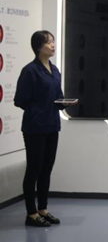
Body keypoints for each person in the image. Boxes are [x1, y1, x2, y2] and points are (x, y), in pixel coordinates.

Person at [14, 31, 77, 227]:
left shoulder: (55, 70)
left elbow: (58, 97)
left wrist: (64, 103)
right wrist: (39, 107)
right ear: (38, 47)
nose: (53, 45)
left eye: (53, 41)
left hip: (52, 125)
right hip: (35, 126)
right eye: (49, 42)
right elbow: (20, 100)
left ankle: (43, 209)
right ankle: (31, 214)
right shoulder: (30, 70)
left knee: (47, 168)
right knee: (34, 168)